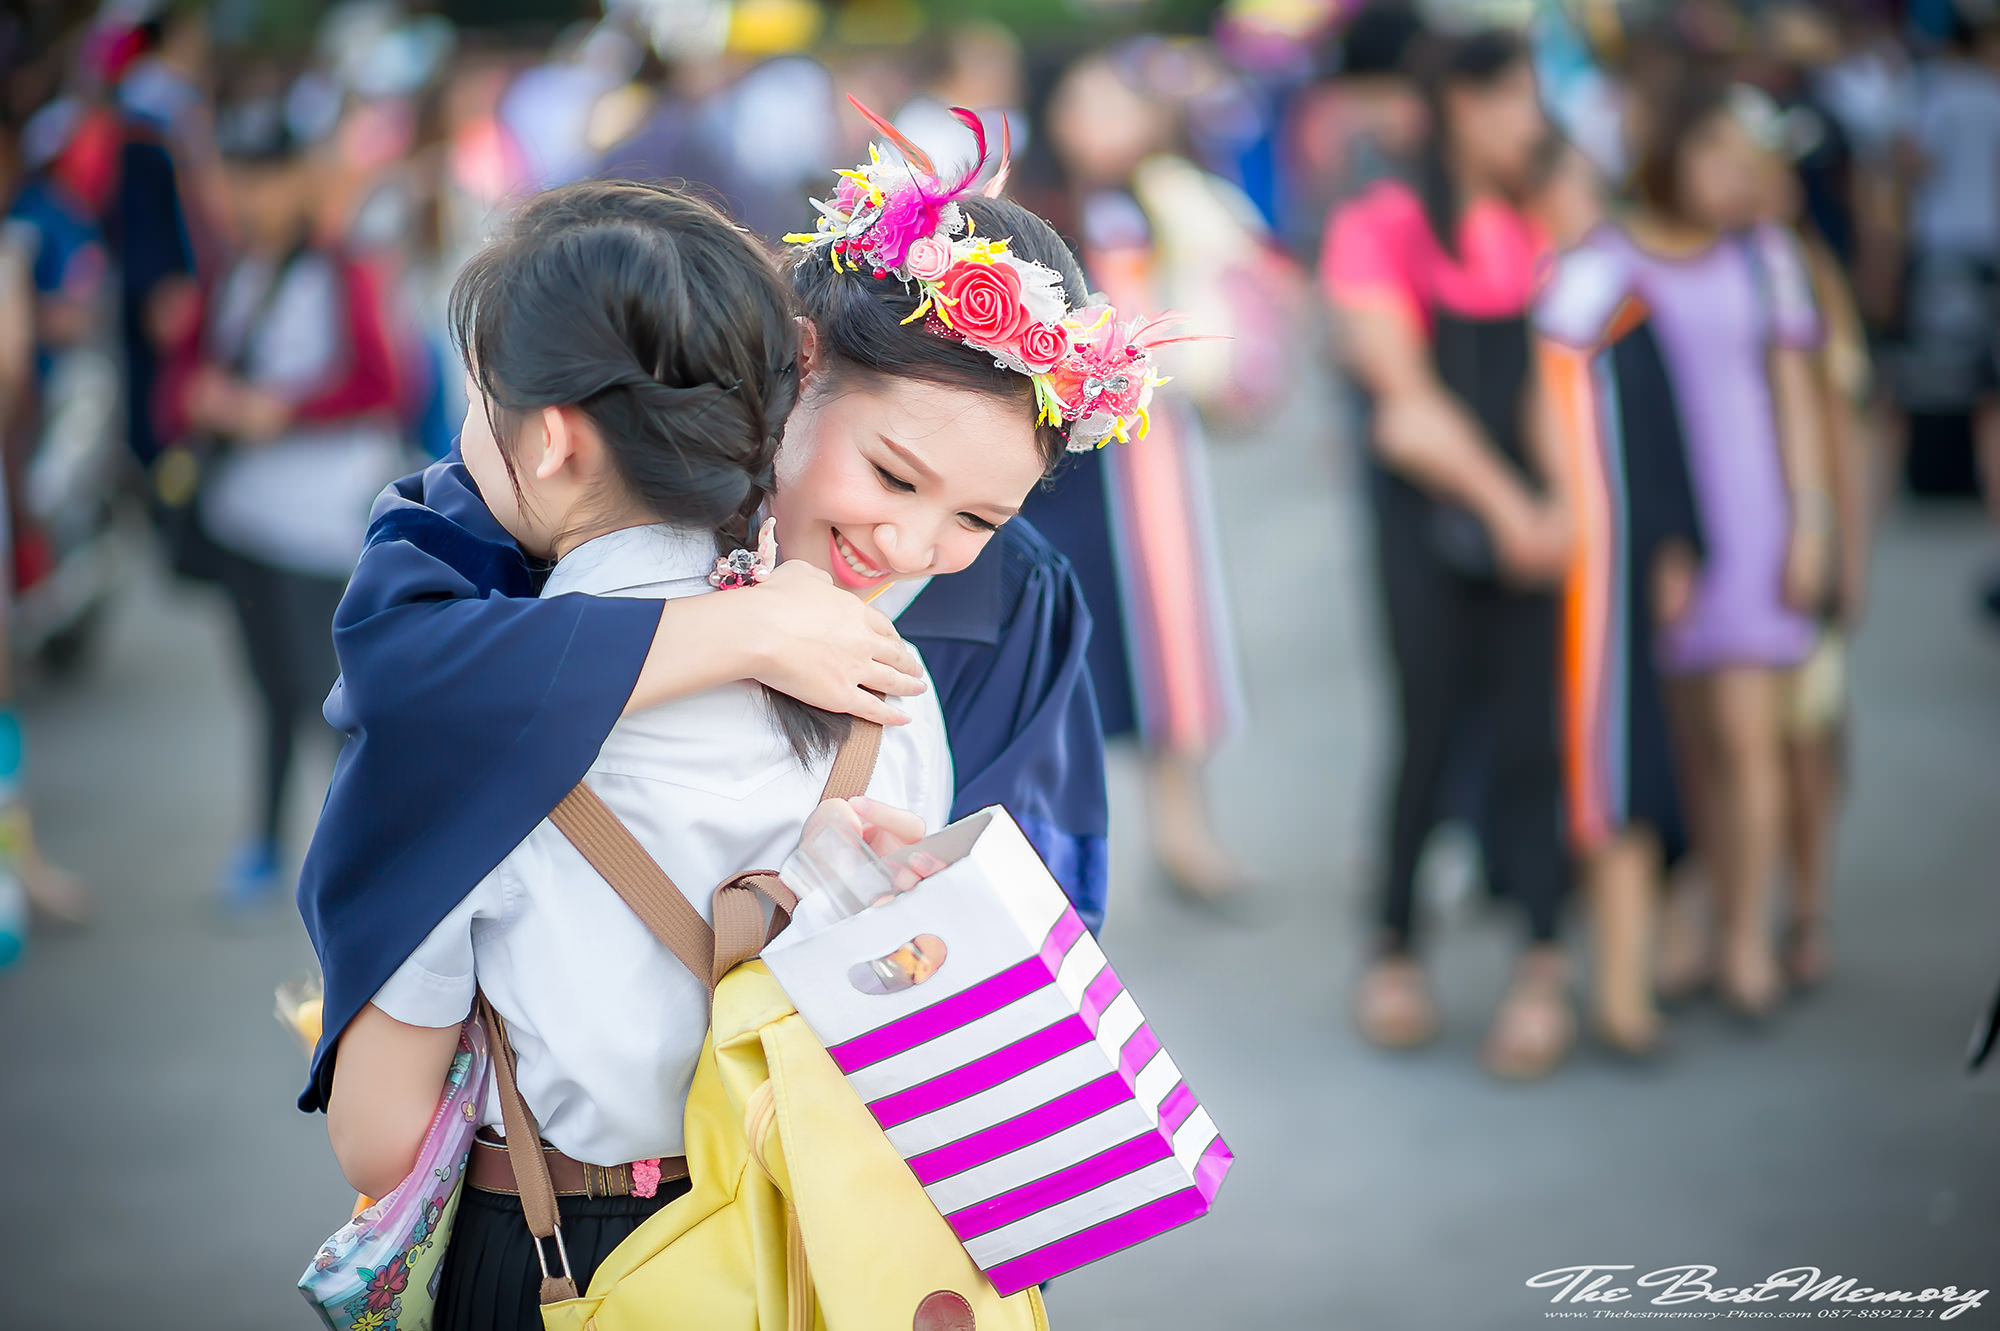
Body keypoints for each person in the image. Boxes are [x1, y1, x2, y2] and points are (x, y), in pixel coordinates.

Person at [299, 119, 1153, 1129]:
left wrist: (928, 902)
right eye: (892, 474)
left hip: (829, 1162)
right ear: (801, 360)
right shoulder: (589, 475)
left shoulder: (1012, 604)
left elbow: (1040, 933)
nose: (911, 543)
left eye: (979, 518)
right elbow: (397, 666)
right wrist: (745, 633)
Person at [322, 179, 955, 1326]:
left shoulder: (459, 723)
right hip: (818, 1250)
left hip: (565, 1257)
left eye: (481, 396)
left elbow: (377, 1138)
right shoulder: (883, 681)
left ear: (551, 435)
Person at [1322, 29, 1575, 1078]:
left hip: (1538, 513)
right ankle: (1393, 945)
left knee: (1534, 732)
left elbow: (1563, 378)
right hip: (1426, 516)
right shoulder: (1377, 223)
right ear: (1462, 106)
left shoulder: (1537, 221)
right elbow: (1406, 410)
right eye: (1515, 98)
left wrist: (1562, 505)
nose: (1531, 120)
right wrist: (1514, 505)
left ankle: (1541, 959)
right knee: (1426, 719)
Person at [1581, 80, 1829, 1019]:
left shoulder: (1768, 259)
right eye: (1713, 153)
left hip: (1753, 515)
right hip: (1652, 525)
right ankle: (1681, 919)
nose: (1733, 175)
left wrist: (1811, 521)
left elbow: (1797, 398)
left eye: (1744, 157)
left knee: (1749, 737)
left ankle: (1744, 934)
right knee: (1675, 740)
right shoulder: (1608, 257)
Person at [1024, 50, 1255, 908]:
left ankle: (1184, 833)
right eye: (1086, 104)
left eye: (1120, 104)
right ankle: (1048, 849)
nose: (1106, 124)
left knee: (1171, 644)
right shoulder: (1032, 218)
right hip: (1068, 472)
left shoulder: (1167, 202)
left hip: (1153, 461)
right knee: (1067, 651)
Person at [174, 92, 409, 906]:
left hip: (319, 524)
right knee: (269, 690)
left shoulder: (344, 269)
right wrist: (200, 396)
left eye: (266, 177)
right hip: (242, 519)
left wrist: (282, 411)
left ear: (300, 180)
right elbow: (187, 369)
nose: (250, 195)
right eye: (238, 177)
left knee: (325, 697)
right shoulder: (229, 268)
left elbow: (386, 384)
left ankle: (360, 861)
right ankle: (267, 848)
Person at [1534, 135, 1706, 1054]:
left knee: (1626, 764)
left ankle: (1625, 985)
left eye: (1570, 184)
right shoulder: (1516, 298)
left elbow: (1662, 431)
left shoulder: (1614, 302)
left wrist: (1676, 544)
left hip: (1616, 570)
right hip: (1535, 574)